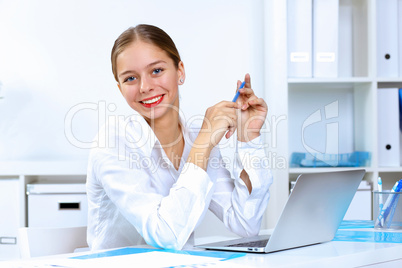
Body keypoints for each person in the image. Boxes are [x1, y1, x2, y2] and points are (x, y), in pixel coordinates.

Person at [86, 24, 273, 251]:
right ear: (120, 88)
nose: (145, 87)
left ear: (180, 71)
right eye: (130, 78)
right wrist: (204, 142)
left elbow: (246, 222)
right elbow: (164, 235)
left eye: (156, 71)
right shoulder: (113, 141)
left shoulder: (196, 135)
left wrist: (248, 138)